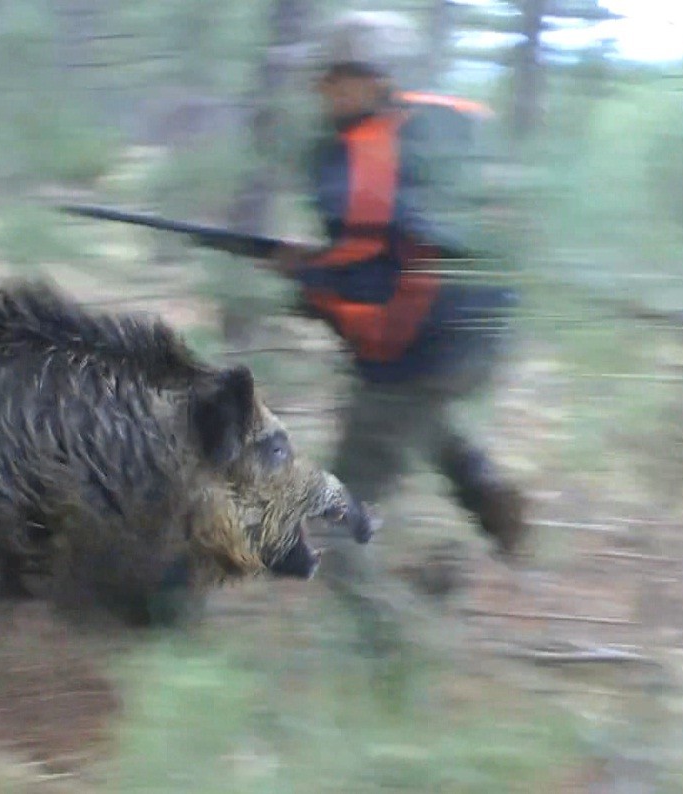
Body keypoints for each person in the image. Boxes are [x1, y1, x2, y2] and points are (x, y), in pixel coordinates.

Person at [263, 11, 530, 604]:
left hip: (423, 346)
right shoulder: (451, 119)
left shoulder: (357, 154)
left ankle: (394, 660)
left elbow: (365, 281)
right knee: (418, 413)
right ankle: (484, 489)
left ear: (368, 79)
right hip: (486, 335)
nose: (321, 88)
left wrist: (304, 277)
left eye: (333, 77)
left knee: (338, 527)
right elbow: (406, 239)